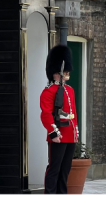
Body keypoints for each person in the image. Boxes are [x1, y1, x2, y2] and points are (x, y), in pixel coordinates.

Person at [40, 44, 78, 195]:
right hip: (58, 136)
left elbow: (72, 113)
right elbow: (46, 114)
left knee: (65, 170)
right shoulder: (48, 92)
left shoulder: (70, 90)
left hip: (70, 135)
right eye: (65, 73)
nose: (67, 76)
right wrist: (53, 133)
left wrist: (75, 133)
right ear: (56, 73)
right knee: (54, 169)